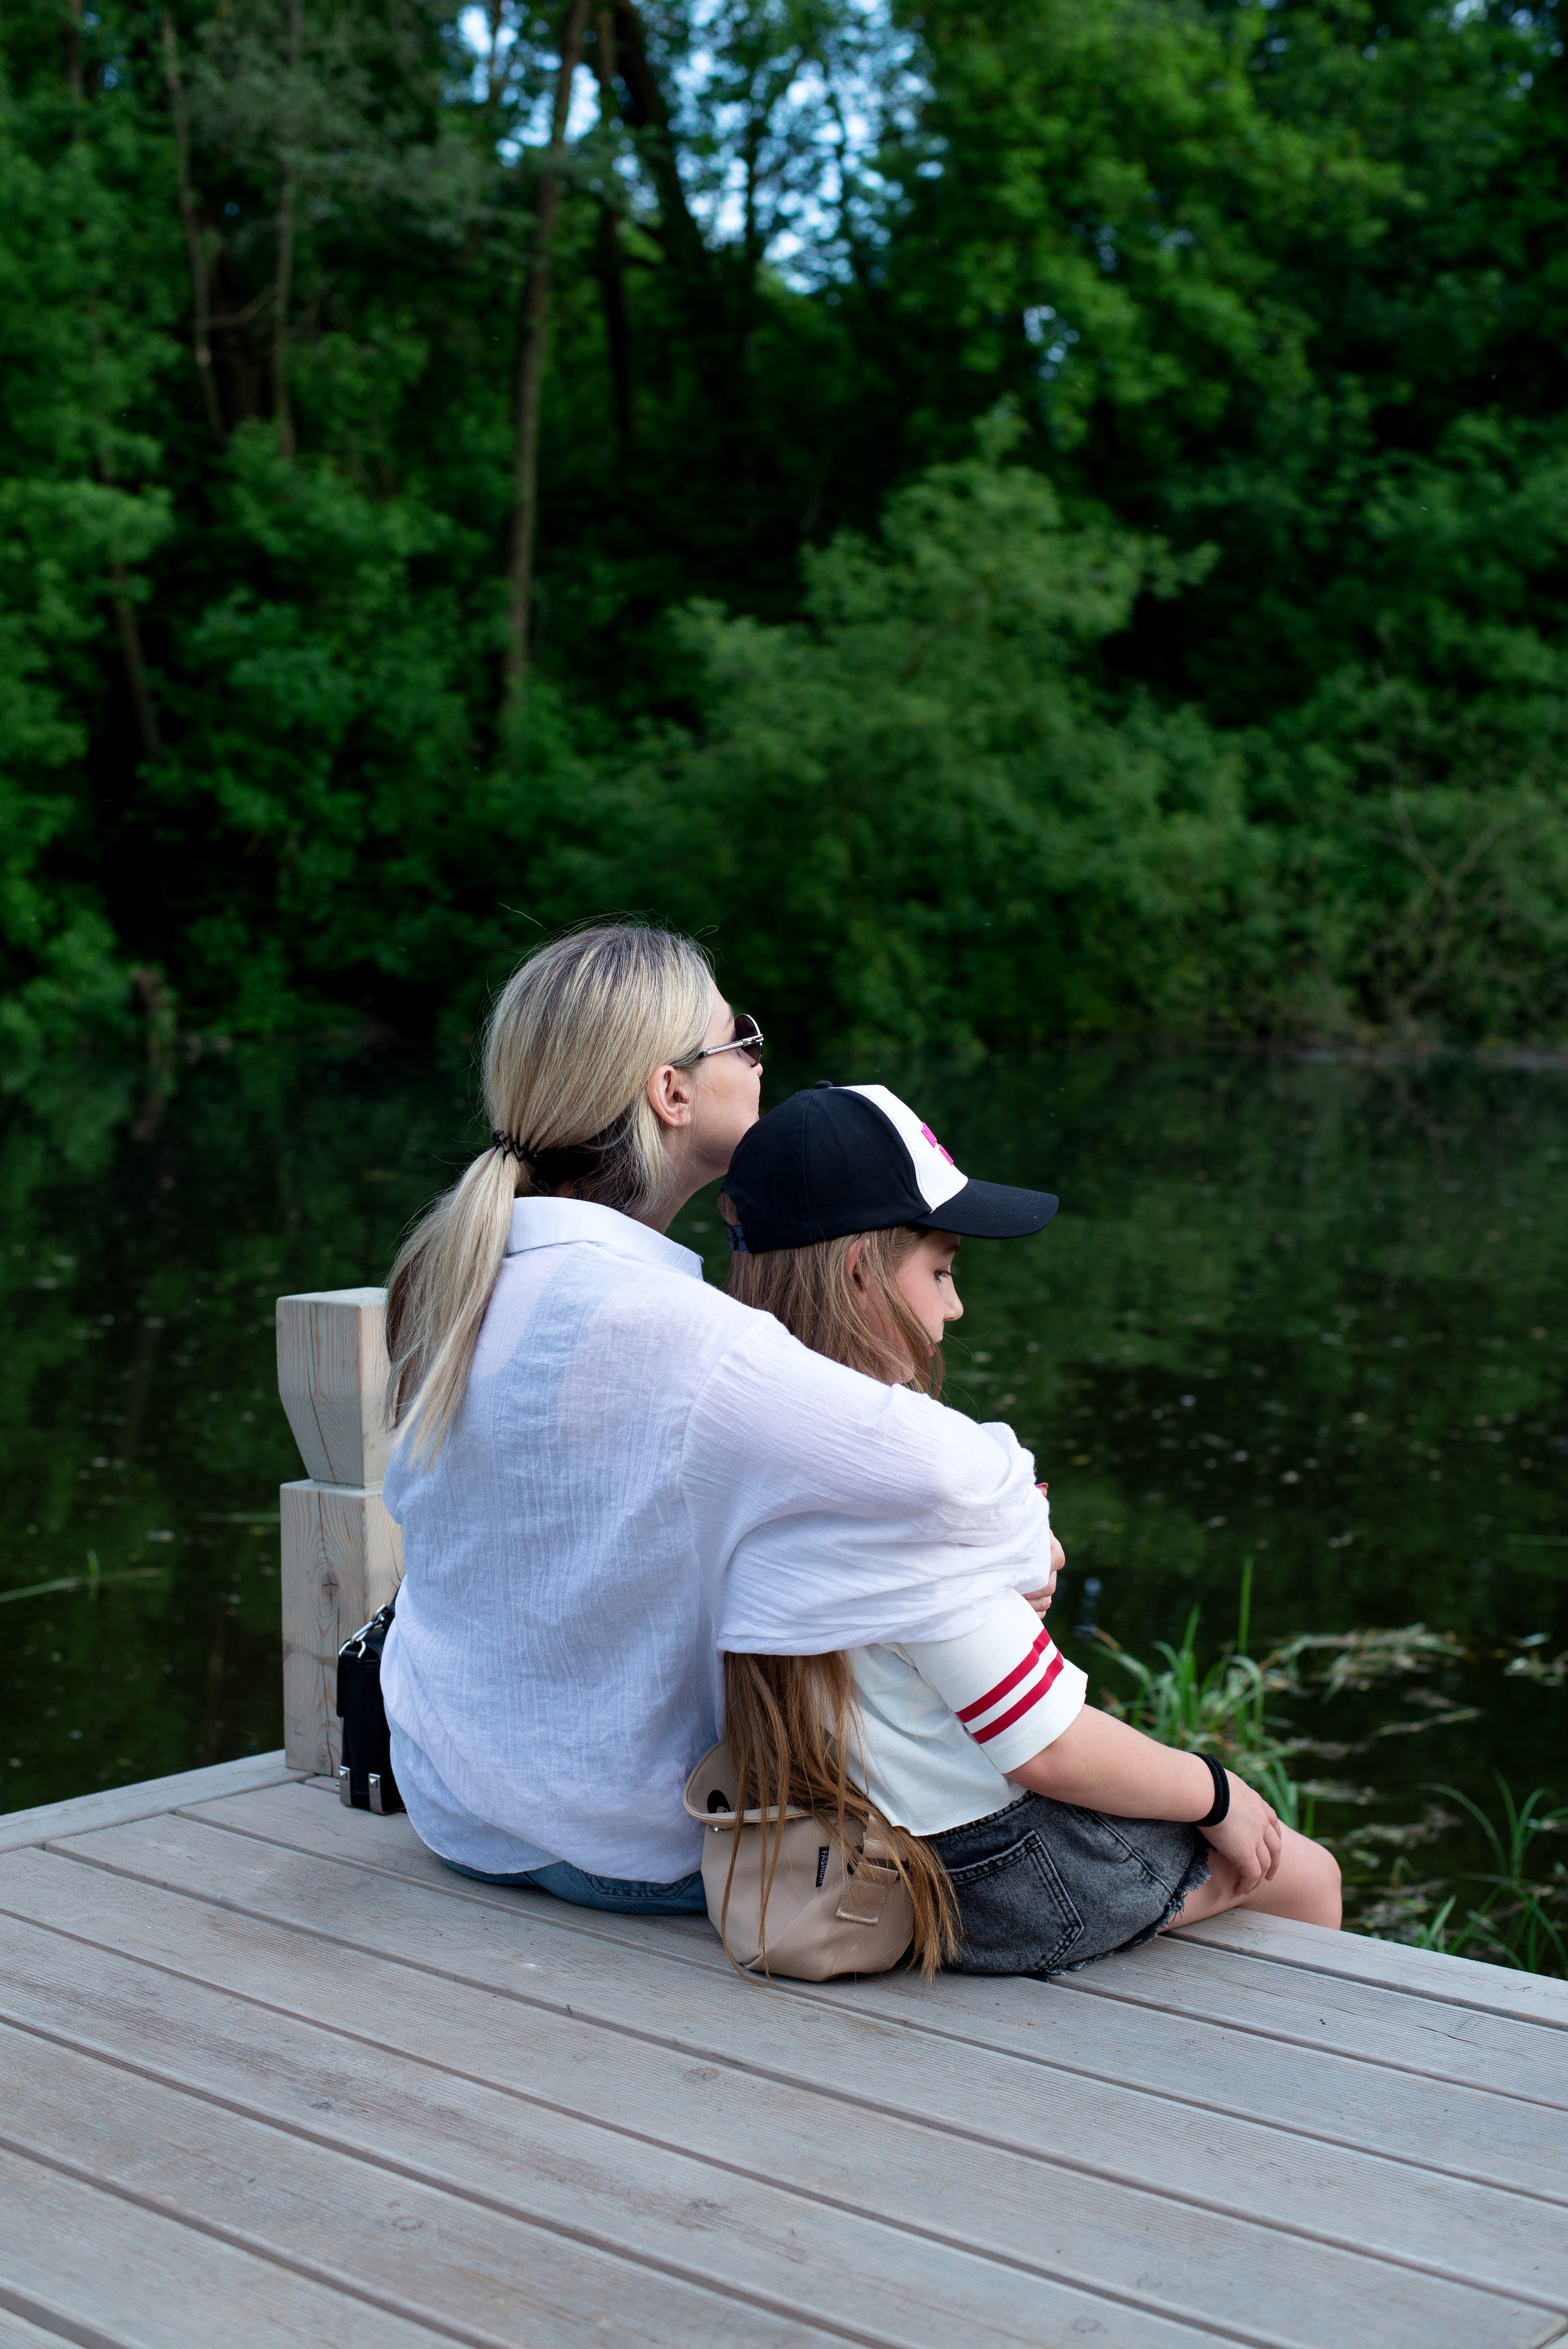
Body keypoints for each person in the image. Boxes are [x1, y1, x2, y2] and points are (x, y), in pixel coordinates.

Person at [379, 924, 1059, 1915]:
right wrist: (1030, 1538)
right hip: (632, 1847)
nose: (757, 1055)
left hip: (460, 1813)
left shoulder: (466, 1279)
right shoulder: (691, 1338)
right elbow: (960, 1481)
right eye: (737, 1037)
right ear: (672, 1093)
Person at [718, 1079, 1343, 1976]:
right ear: (859, 1268)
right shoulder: (917, 1482)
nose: (954, 1306)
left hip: (842, 1828)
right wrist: (1217, 1792)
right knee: (1306, 1875)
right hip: (994, 1878)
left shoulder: (739, 1431)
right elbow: (1045, 1746)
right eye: (940, 1269)